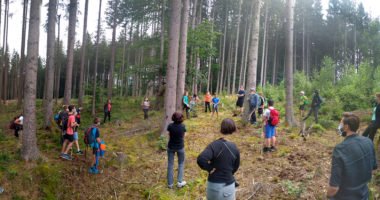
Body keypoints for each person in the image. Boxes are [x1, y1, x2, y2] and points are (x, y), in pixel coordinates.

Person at [327, 114, 377, 199]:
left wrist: (327, 195)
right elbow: (373, 169)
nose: (340, 126)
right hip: (364, 195)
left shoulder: (340, 149)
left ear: (346, 127)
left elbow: (334, 188)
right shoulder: (368, 141)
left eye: (341, 123)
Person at [197, 118, 240, 200]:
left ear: (221, 129)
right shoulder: (235, 147)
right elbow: (236, 166)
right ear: (234, 130)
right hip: (228, 185)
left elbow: (201, 159)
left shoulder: (214, 145)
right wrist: (228, 172)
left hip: (213, 185)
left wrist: (210, 169)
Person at [167, 112, 187, 189]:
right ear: (181, 118)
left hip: (170, 147)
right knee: (181, 164)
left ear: (173, 118)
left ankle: (170, 184)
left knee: (170, 165)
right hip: (180, 147)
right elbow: (183, 136)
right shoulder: (183, 126)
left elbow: (169, 135)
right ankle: (179, 182)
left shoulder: (170, 126)